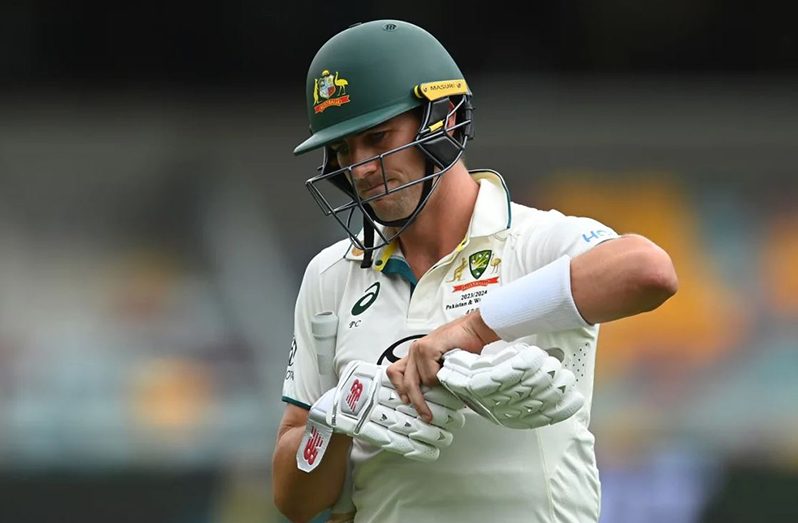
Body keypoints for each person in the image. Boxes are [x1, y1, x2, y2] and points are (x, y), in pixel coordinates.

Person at [272, 19, 678, 523]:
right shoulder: (329, 276)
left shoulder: (532, 240)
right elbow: (295, 501)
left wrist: (472, 329)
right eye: (342, 150)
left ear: (443, 119)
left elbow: (650, 272)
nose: (359, 169)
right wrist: (331, 421)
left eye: (378, 138)